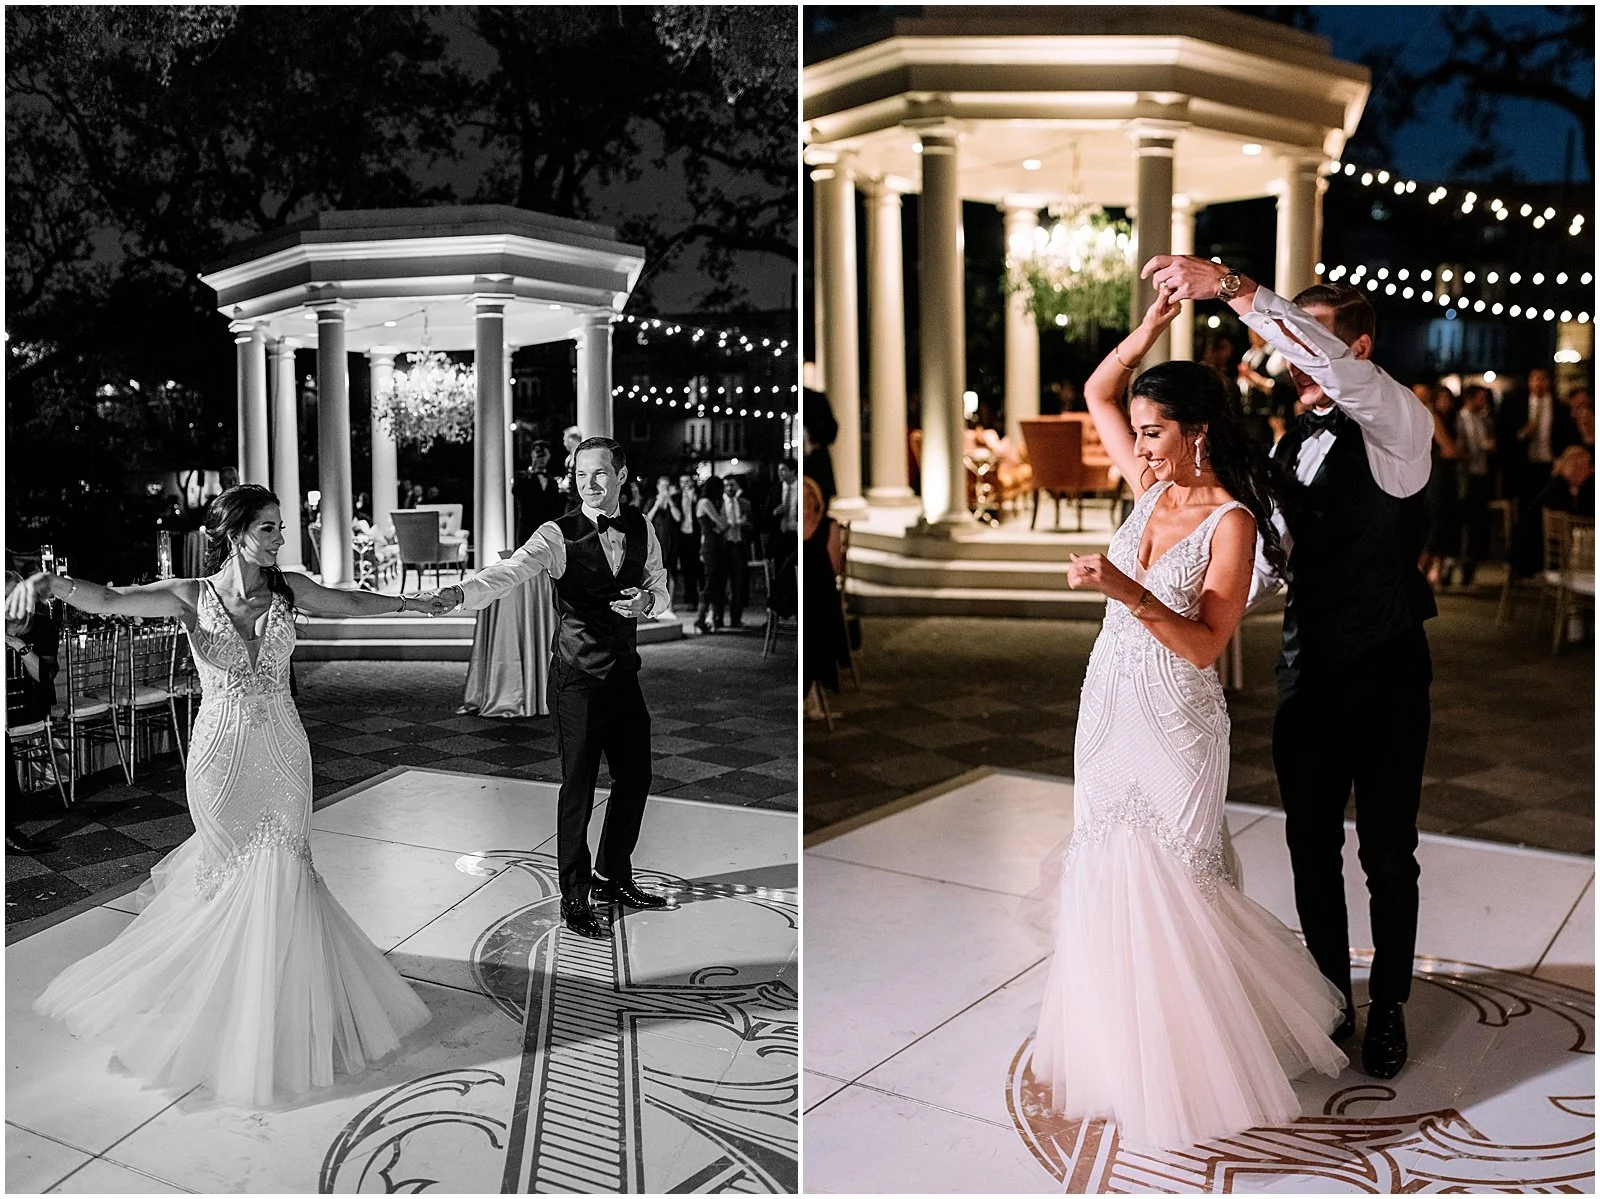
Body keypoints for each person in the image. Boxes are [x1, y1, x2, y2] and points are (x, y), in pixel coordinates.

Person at [1029, 286, 1345, 1151]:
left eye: (1153, 431)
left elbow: (1207, 645)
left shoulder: (1233, 520)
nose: (1135, 445)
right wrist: (1147, 331)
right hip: (1109, 705)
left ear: (1196, 431)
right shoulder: (1147, 484)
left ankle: (1191, 1063)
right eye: (1136, 432)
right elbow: (1097, 391)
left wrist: (1122, 587)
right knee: (1105, 866)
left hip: (1176, 718)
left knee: (1177, 880)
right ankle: (1118, 1049)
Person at [7, 485, 432, 1106]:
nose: (280, 539)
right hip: (219, 758)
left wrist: (415, 604)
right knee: (227, 876)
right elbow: (113, 600)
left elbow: (348, 603)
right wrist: (50, 583)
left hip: (285, 751)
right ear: (235, 534)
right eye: (268, 528)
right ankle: (220, 1008)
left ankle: (282, 1014)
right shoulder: (189, 594)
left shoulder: (289, 590)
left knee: (286, 867)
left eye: (281, 527)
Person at [1144, 257, 1435, 1085]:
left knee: (1389, 849)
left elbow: (1335, 368)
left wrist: (1235, 288)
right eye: (1286, 345)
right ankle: (1331, 993)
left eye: (1310, 343)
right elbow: (1276, 562)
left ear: (1361, 348)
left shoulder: (1395, 423)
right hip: (1308, 667)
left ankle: (1390, 1008)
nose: (1293, 360)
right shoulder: (1288, 443)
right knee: (1309, 841)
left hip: (1385, 665)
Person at [421, 438, 671, 940]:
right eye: (581, 476)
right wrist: (458, 593)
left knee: (636, 777)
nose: (590, 485)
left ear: (622, 476)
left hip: (623, 672)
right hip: (577, 676)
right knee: (577, 786)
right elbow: (509, 571)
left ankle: (612, 876)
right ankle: (574, 895)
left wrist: (647, 601)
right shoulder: (557, 534)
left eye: (600, 474)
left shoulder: (642, 526)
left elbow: (662, 587)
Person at [5, 571, 59, 855]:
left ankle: (7, 828)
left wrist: (18, 646)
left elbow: (46, 679)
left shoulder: (42, 626)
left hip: (28, 706)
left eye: (12, 596)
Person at [801, 477, 848, 714]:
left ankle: (812, 695)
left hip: (821, 590)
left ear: (815, 502)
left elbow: (834, 567)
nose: (804, 505)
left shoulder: (828, 525)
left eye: (808, 500)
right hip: (802, 590)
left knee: (813, 623)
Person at [1455, 385, 1498, 587]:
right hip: (1464, 477)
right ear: (1469, 398)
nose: (1484, 402)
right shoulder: (1458, 419)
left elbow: (1491, 444)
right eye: (1480, 398)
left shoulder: (1485, 419)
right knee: (1463, 523)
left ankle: (1470, 571)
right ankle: (1457, 567)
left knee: (1477, 524)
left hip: (1481, 475)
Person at [1421, 386, 1463, 590]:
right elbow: (1450, 450)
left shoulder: (1454, 421)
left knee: (1446, 522)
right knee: (1435, 523)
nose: (1446, 403)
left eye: (1449, 399)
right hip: (1438, 474)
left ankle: (1435, 573)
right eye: (1442, 398)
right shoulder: (1433, 417)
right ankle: (1421, 571)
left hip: (1449, 476)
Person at [694, 475, 730, 634]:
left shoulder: (708, 502)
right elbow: (723, 525)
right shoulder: (705, 502)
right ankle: (700, 619)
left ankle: (713, 618)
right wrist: (722, 513)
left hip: (713, 545)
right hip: (712, 545)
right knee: (711, 581)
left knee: (717, 581)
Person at [513, 440, 564, 542]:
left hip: (547, 532)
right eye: (538, 454)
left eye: (544, 455)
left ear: (549, 457)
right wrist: (531, 471)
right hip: (527, 530)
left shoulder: (552, 481)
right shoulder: (522, 477)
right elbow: (517, 492)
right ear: (532, 455)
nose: (541, 459)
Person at [645, 476, 681, 616]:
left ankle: (670, 604)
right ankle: (653, 604)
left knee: (671, 573)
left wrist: (670, 502)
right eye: (662, 486)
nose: (664, 489)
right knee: (654, 574)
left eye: (667, 486)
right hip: (655, 542)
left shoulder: (674, 501)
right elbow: (647, 519)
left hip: (671, 542)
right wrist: (656, 504)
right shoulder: (651, 501)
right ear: (657, 487)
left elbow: (678, 518)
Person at [723, 476, 753, 628]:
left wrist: (745, 524)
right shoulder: (719, 504)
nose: (729, 488)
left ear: (737, 487)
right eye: (727, 485)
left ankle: (736, 618)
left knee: (738, 583)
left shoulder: (745, 504)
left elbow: (753, 527)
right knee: (722, 583)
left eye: (732, 485)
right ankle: (718, 618)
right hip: (724, 546)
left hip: (739, 545)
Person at [675, 472, 701, 608]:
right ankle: (690, 598)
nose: (684, 485)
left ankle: (700, 599)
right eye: (681, 482)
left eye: (687, 481)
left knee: (699, 568)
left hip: (696, 534)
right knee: (686, 569)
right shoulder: (677, 497)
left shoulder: (698, 496)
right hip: (682, 535)